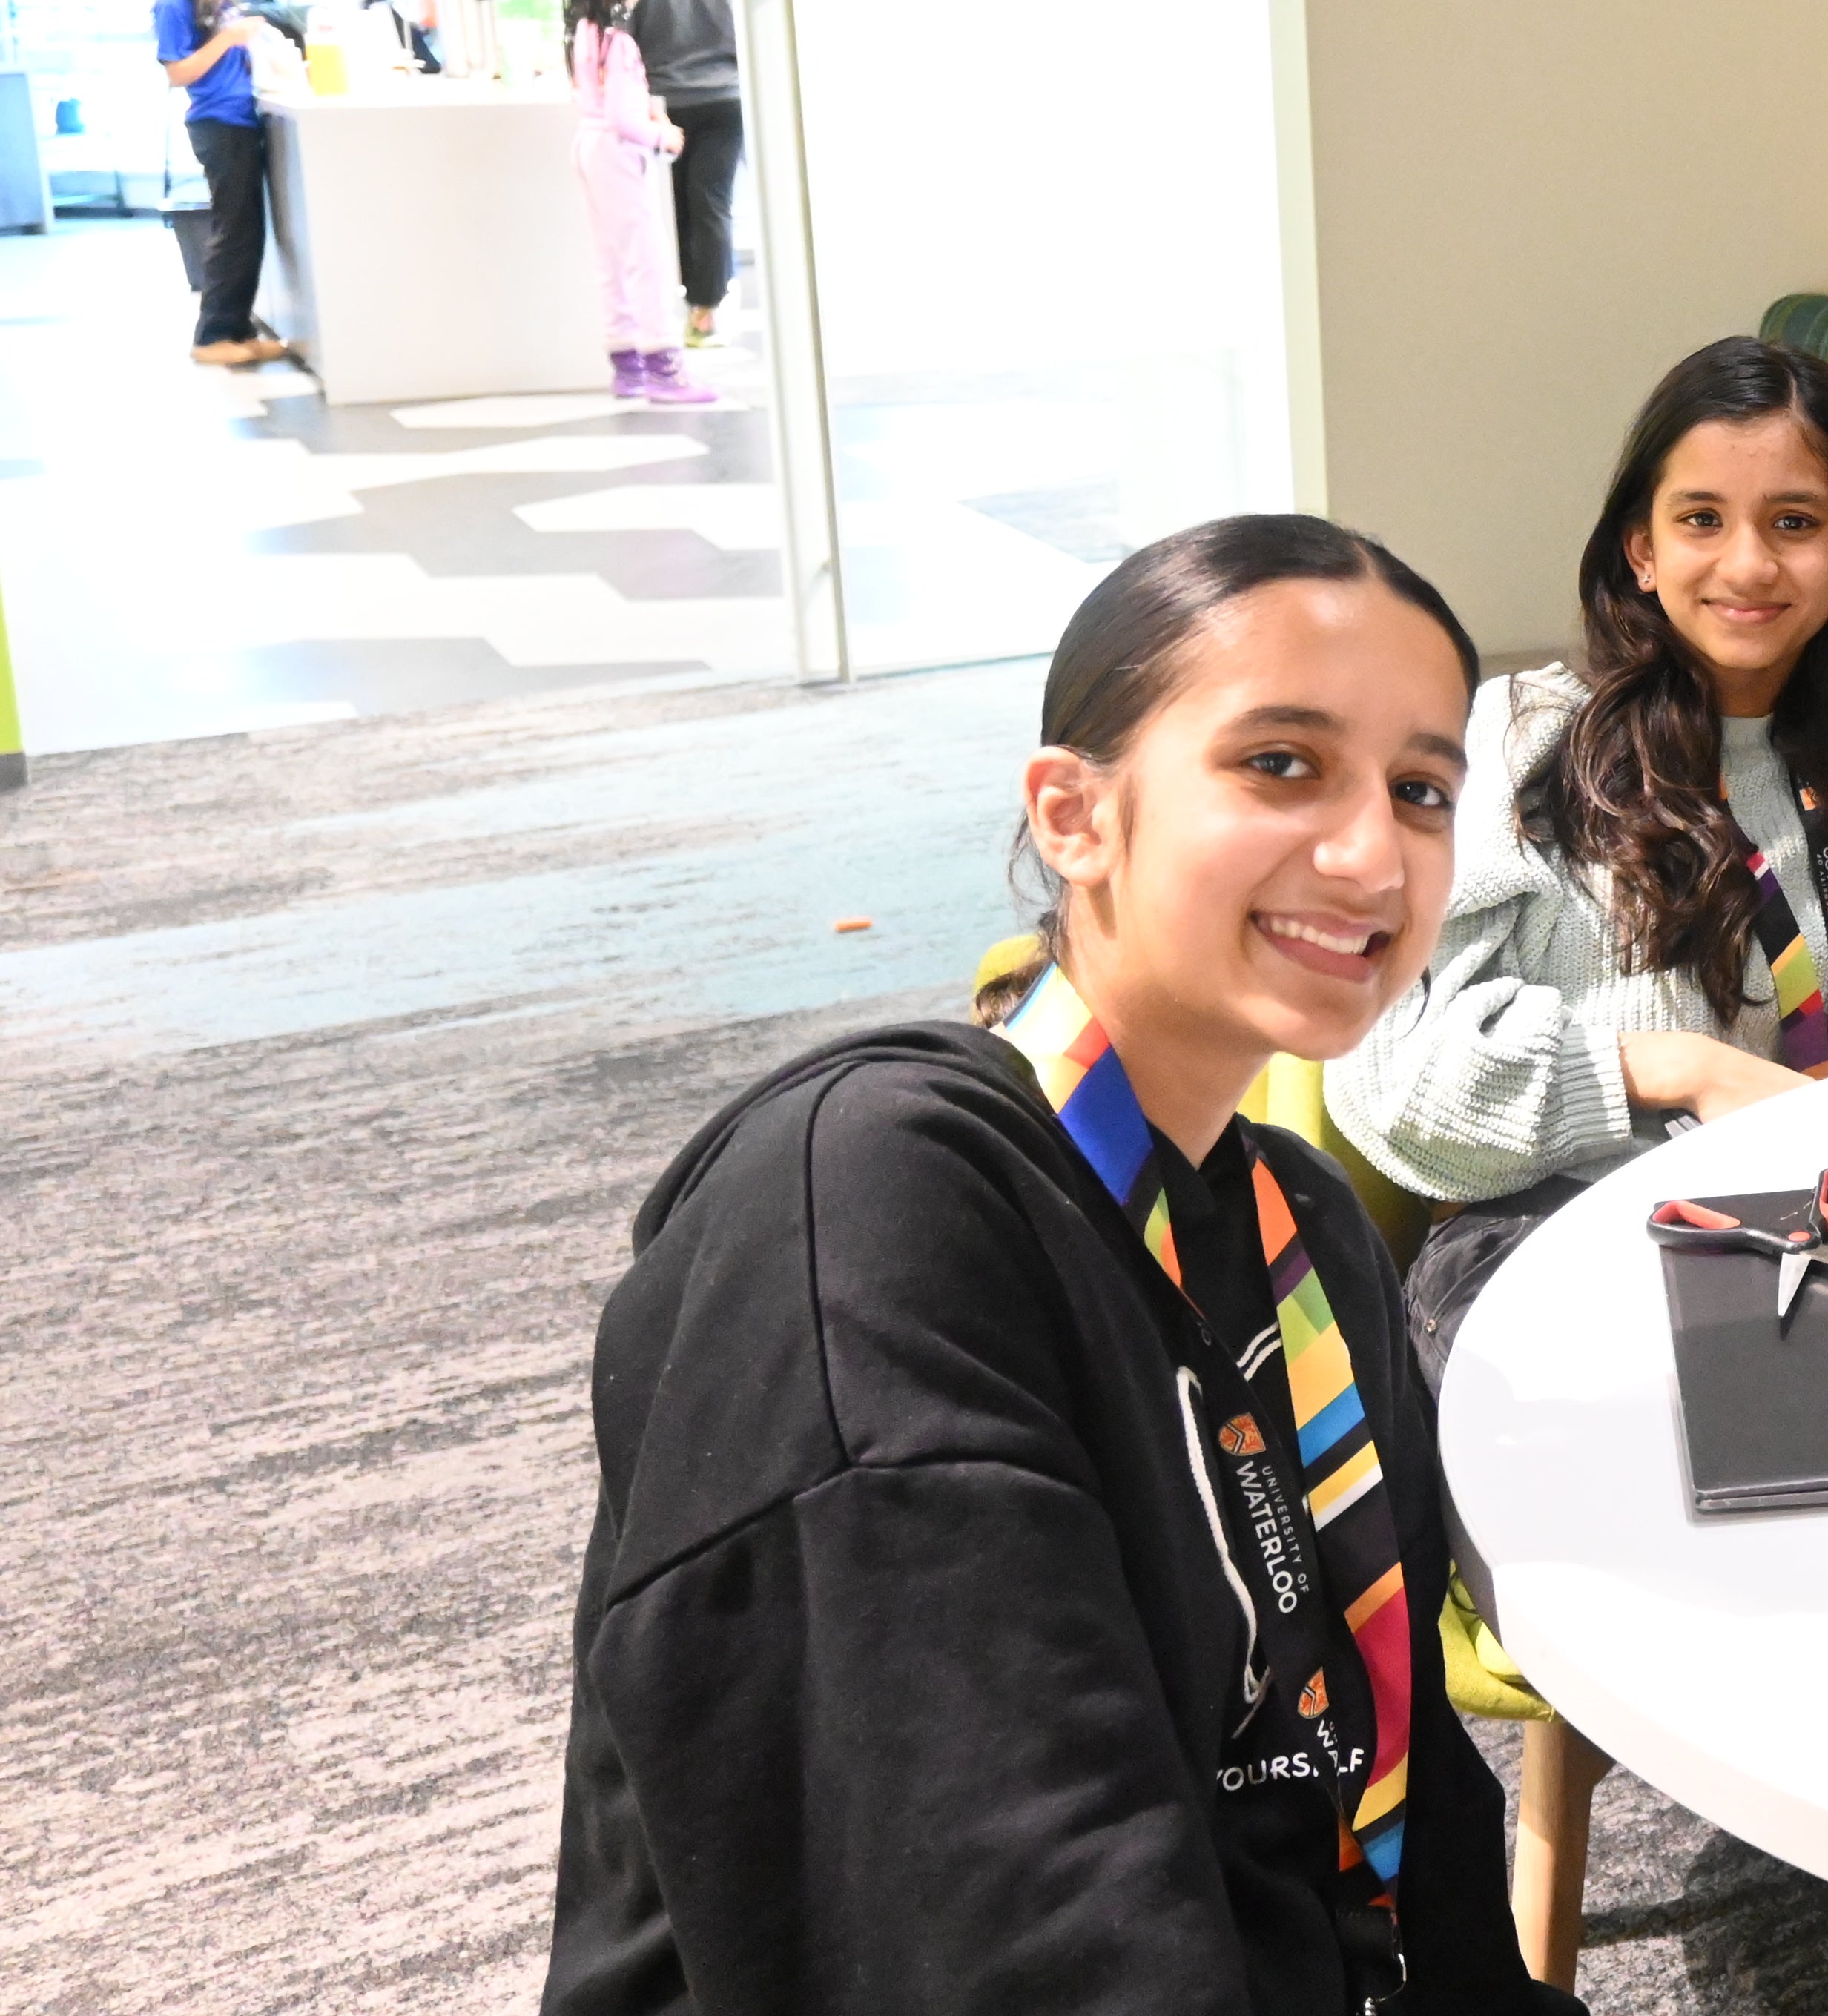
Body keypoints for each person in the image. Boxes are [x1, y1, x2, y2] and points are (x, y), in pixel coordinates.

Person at [544, 515, 1573, 2016]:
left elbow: (1396, 1780)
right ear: (1074, 815)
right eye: (1280, 762)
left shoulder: (1303, 1232)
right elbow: (1008, 1916)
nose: (1370, 852)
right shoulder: (874, 1211)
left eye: (1420, 789)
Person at [1327, 335, 1828, 1383]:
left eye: (1794, 523)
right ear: (1640, 551)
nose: (1747, 565)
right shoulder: (1520, 745)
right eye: (1701, 520)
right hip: (1562, 1241)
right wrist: (1672, 1069)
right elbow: (1395, 1070)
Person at [560, 0, 713, 407]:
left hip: (589, 147)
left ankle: (627, 366)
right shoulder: (619, 43)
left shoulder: (581, 33)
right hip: (617, 151)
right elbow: (626, 119)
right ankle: (665, 370)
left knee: (612, 258)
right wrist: (661, 135)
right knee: (646, 260)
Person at [153, 0, 283, 367]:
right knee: (235, 230)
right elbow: (177, 72)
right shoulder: (173, 2)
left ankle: (238, 329)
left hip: (240, 118)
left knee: (248, 229)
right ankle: (213, 335)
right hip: (218, 124)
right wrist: (229, 39)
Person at [627, 0, 744, 344]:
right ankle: (705, 311)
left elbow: (624, 48)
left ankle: (664, 306)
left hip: (663, 108)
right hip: (725, 102)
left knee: (667, 207)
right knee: (713, 203)